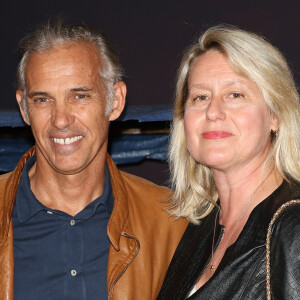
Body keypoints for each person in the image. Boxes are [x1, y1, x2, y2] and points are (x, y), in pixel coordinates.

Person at [0, 21, 187, 300]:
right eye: (42, 100)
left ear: (115, 101)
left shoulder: (170, 224)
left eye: (79, 96)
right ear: (24, 108)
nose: (60, 120)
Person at [157, 25, 300, 299]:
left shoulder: (293, 227)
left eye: (235, 95)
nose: (213, 112)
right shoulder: (201, 227)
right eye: (200, 97)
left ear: (275, 115)